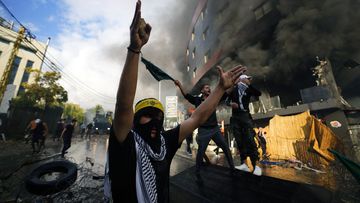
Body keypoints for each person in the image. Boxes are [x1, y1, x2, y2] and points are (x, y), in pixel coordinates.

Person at [105, 1, 246, 202]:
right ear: (135, 119)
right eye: (147, 115)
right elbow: (123, 105)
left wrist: (220, 89)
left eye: (158, 116)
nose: (154, 121)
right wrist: (135, 50)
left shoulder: (165, 143)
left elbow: (198, 117)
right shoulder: (126, 143)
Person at [174, 80, 235, 176]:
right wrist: (180, 85)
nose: (209, 89)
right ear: (202, 91)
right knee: (201, 152)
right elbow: (186, 95)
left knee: (225, 147)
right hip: (203, 130)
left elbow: (226, 93)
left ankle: (233, 168)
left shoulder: (214, 98)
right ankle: (197, 172)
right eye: (206, 88)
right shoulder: (197, 100)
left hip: (215, 129)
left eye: (209, 87)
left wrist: (233, 83)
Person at [226, 74, 262, 175]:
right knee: (239, 140)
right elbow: (226, 100)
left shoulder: (248, 89)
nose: (250, 80)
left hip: (245, 116)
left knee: (250, 139)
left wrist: (249, 85)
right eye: (248, 78)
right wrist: (230, 104)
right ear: (242, 79)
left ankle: (257, 165)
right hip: (235, 117)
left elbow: (258, 93)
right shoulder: (233, 89)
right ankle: (244, 164)